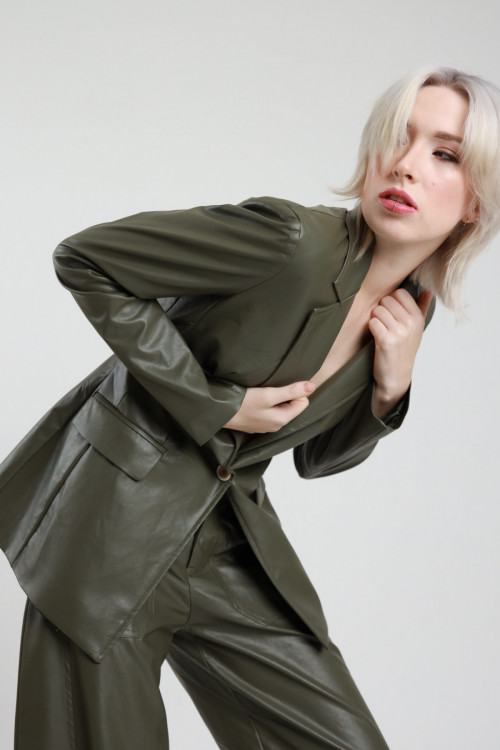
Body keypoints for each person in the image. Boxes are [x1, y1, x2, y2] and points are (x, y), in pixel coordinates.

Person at [1, 66, 499, 750]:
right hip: (109, 528)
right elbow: (86, 258)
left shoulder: (409, 310)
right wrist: (215, 405)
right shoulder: (292, 243)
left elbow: (315, 458)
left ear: (476, 201)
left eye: (444, 154)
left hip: (225, 542)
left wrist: (390, 388)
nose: (406, 165)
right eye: (397, 137)